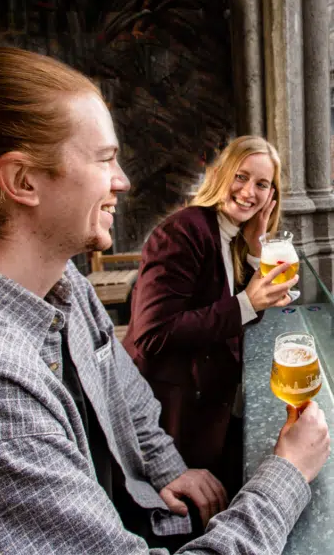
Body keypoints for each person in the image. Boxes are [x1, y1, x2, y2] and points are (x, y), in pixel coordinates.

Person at [0, 47, 330, 553]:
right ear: (22, 180)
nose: (123, 181)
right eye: (105, 158)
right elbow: (155, 334)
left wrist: (166, 467)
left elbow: (122, 387)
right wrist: (287, 474)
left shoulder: (62, 283)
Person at [123, 135, 296, 497]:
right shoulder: (184, 232)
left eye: (262, 184)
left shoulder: (230, 236)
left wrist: (255, 249)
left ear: (272, 196)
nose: (249, 192)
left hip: (207, 408)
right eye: (241, 176)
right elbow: (153, 333)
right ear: (220, 174)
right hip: (170, 416)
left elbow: (236, 311)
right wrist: (247, 302)